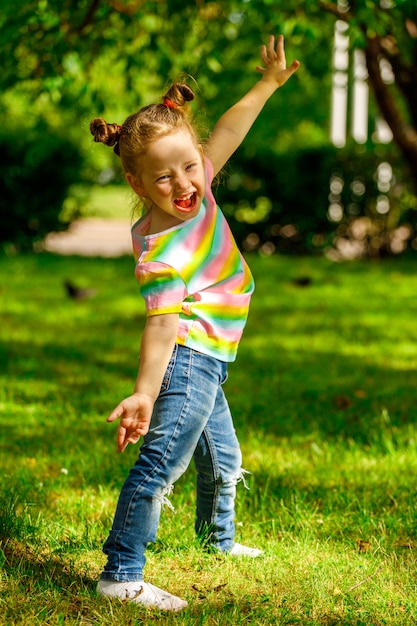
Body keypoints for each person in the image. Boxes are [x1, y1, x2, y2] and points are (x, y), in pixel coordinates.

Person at [90, 34, 299, 612]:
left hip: (211, 354)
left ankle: (218, 540)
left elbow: (229, 130)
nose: (184, 184)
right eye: (164, 178)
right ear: (137, 185)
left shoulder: (199, 185)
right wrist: (144, 392)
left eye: (190, 166)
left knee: (221, 459)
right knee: (163, 461)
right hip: (188, 358)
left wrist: (266, 84)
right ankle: (121, 571)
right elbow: (160, 328)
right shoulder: (161, 253)